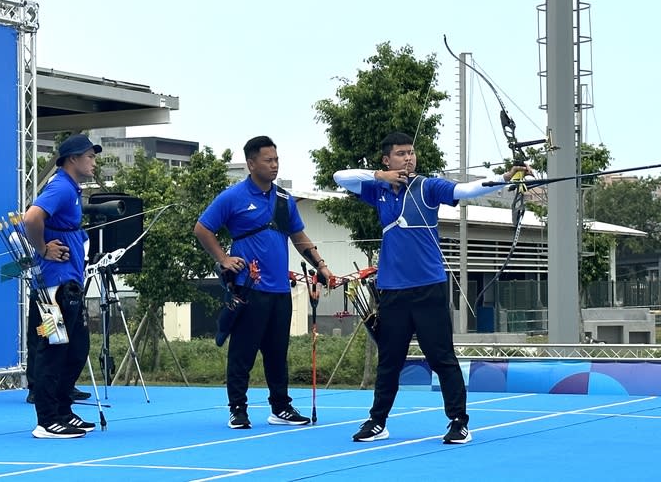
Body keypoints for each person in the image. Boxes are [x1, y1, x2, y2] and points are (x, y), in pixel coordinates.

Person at [333, 131, 527, 445]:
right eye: (400, 153)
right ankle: (377, 421)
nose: (408, 158)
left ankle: (458, 422)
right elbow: (340, 176)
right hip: (392, 290)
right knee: (389, 360)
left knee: (441, 358)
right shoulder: (378, 190)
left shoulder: (427, 186)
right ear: (387, 159)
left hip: (428, 288)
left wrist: (505, 178)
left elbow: (467, 189)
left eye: (411, 152)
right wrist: (382, 176)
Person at [194, 135, 334, 429]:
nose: (274, 165)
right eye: (268, 160)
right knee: (242, 352)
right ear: (251, 163)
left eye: (276, 160)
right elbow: (202, 228)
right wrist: (223, 258)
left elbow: (298, 237)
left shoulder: (284, 199)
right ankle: (238, 409)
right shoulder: (232, 197)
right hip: (249, 289)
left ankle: (280, 407)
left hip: (280, 290)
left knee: (276, 353)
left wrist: (320, 265)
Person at [23, 134, 101, 439]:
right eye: (89, 157)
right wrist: (43, 249)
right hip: (50, 289)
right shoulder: (60, 186)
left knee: (76, 347)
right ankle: (47, 419)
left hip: (67, 285)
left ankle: (63, 410)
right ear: (72, 160)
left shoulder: (71, 188)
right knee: (52, 348)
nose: (94, 162)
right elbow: (32, 218)